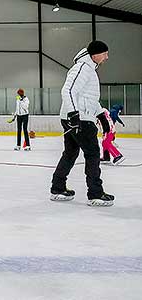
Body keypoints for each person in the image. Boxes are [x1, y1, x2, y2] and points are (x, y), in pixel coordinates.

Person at [50, 40, 114, 207]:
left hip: (79, 116)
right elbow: (68, 90)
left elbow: (89, 98)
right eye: (104, 53)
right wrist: (73, 114)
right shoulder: (82, 68)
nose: (107, 57)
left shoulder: (89, 68)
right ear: (95, 54)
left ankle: (57, 188)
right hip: (80, 118)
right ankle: (95, 193)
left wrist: (100, 115)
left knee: (70, 153)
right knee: (92, 153)